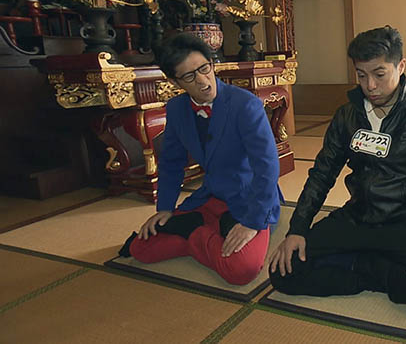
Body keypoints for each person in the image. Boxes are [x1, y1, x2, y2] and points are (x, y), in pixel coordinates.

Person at [268, 25, 406, 309]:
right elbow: (322, 174)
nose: (370, 85)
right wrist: (297, 228)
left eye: (379, 74)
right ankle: (375, 270)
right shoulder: (347, 116)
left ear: (401, 66)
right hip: (358, 217)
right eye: (361, 75)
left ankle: (361, 267)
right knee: (283, 272)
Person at [119, 33, 283, 286]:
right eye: (189, 76)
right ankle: (203, 229)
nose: (203, 81)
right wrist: (165, 209)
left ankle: (193, 231)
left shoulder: (245, 105)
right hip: (211, 198)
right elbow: (171, 162)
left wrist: (252, 223)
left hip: (250, 200)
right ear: (174, 81)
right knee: (141, 249)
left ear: (212, 64)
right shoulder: (176, 109)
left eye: (204, 69)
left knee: (242, 269)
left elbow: (267, 168)